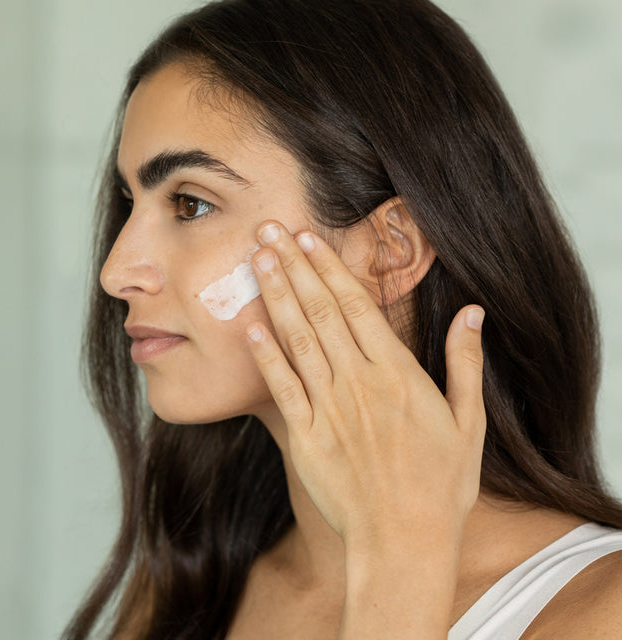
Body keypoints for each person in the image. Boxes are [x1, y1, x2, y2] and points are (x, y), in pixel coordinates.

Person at [64, 0, 622, 638]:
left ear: (391, 248)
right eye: (130, 201)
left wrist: (401, 558)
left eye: (190, 203)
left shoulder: (602, 610)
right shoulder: (189, 591)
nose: (117, 270)